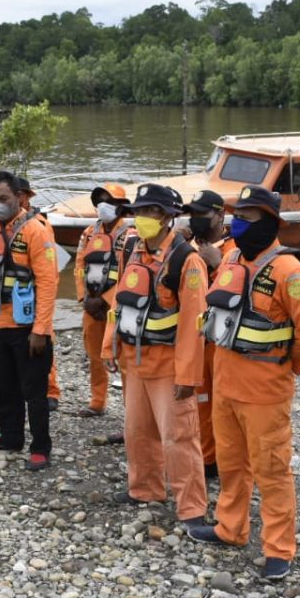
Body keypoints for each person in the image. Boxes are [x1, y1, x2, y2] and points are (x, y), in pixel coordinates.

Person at [187, 185, 300, 580]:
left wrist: (285, 369)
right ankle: (231, 528)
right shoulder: (229, 258)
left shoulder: (289, 271)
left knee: (272, 470)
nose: (239, 224)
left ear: (271, 223)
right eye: (238, 216)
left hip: (265, 392)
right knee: (231, 464)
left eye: (249, 218)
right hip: (226, 385)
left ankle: (279, 548)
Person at [102, 183, 208, 527]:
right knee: (137, 431)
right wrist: (110, 344)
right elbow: (119, 300)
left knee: (179, 437)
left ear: (167, 218)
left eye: (151, 212)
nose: (143, 218)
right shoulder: (132, 247)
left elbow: (195, 323)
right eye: (140, 211)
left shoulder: (186, 260)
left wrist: (188, 377)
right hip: (134, 361)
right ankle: (144, 488)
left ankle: (191, 508)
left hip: (167, 365)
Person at [0, 171, 59, 471]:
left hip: (27, 328)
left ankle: (40, 446)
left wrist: (41, 329)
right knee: (4, 387)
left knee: (34, 391)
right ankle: (10, 437)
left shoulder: (36, 231)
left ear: (18, 197)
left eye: (3, 198)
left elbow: (48, 282)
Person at [182, 189, 231, 484]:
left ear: (220, 215)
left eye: (203, 214)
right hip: (196, 336)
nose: (196, 219)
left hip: (224, 341)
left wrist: (218, 264)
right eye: (193, 214)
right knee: (199, 399)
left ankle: (229, 462)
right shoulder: (187, 247)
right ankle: (207, 458)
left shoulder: (236, 248)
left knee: (223, 405)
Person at [74, 183, 133, 417]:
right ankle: (97, 402)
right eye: (99, 201)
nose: (103, 206)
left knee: (126, 360)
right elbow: (79, 266)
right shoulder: (88, 233)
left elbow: (132, 273)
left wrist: (108, 299)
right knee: (95, 356)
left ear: (120, 206)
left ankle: (132, 409)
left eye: (108, 201)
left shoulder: (130, 236)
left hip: (118, 307)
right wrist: (85, 297)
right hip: (91, 305)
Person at [19, 176, 62, 411]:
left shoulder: (40, 224)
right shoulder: (4, 224)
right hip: (17, 295)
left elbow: (50, 266)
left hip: (36, 294)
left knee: (44, 340)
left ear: (25, 197)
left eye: (19, 195)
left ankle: (51, 390)